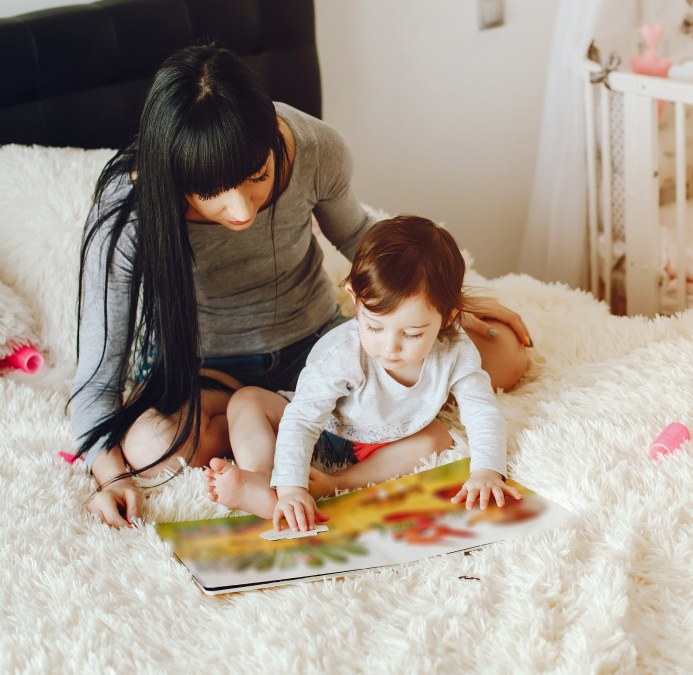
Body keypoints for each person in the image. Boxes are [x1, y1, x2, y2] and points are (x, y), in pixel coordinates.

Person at [70, 43, 530, 528]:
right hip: (208, 371)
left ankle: (290, 427)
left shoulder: (314, 148)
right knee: (149, 448)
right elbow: (97, 379)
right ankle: (261, 435)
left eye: (258, 176)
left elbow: (358, 236)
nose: (242, 210)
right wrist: (110, 478)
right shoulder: (128, 210)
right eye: (211, 192)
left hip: (313, 340)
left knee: (504, 351)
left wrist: (449, 303)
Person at [203, 216, 524, 531]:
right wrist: (291, 487)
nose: (390, 346)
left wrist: (487, 471)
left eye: (412, 333)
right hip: (325, 429)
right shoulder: (340, 352)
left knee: (437, 437)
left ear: (448, 317)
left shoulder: (456, 351)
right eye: (374, 327)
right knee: (247, 401)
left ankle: (333, 483)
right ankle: (262, 478)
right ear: (354, 297)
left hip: (388, 439)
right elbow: (301, 419)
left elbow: (482, 410)